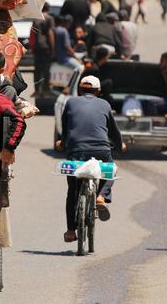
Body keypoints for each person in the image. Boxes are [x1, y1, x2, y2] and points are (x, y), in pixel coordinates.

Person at [56, 75, 126, 243]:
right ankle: (101, 196)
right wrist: (120, 144)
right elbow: (114, 132)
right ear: (98, 91)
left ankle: (71, 231)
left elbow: (66, 128)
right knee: (111, 169)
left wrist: (63, 143)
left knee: (72, 191)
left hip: (75, 151)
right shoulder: (105, 104)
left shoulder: (71, 102)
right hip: (101, 150)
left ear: (81, 90)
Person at [31, 3, 55, 95]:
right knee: (46, 69)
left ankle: (37, 90)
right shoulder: (49, 18)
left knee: (37, 69)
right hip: (46, 47)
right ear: (48, 8)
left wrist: (32, 46)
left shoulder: (36, 19)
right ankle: (46, 89)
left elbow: (32, 34)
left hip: (37, 47)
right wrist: (53, 48)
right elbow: (50, 33)